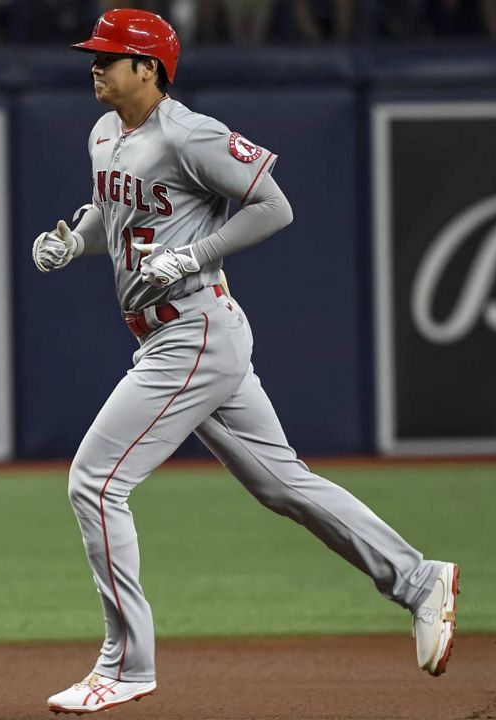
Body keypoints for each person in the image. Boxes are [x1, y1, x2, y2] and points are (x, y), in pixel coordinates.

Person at [33, 8, 459, 715]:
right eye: (96, 55)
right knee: (283, 485)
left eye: (110, 57)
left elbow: (274, 205)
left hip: (192, 331)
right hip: (178, 335)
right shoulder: (105, 132)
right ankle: (419, 580)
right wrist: (74, 242)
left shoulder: (188, 132)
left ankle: (127, 664)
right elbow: (115, 214)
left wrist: (195, 254)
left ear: (150, 69)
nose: (95, 66)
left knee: (95, 481)